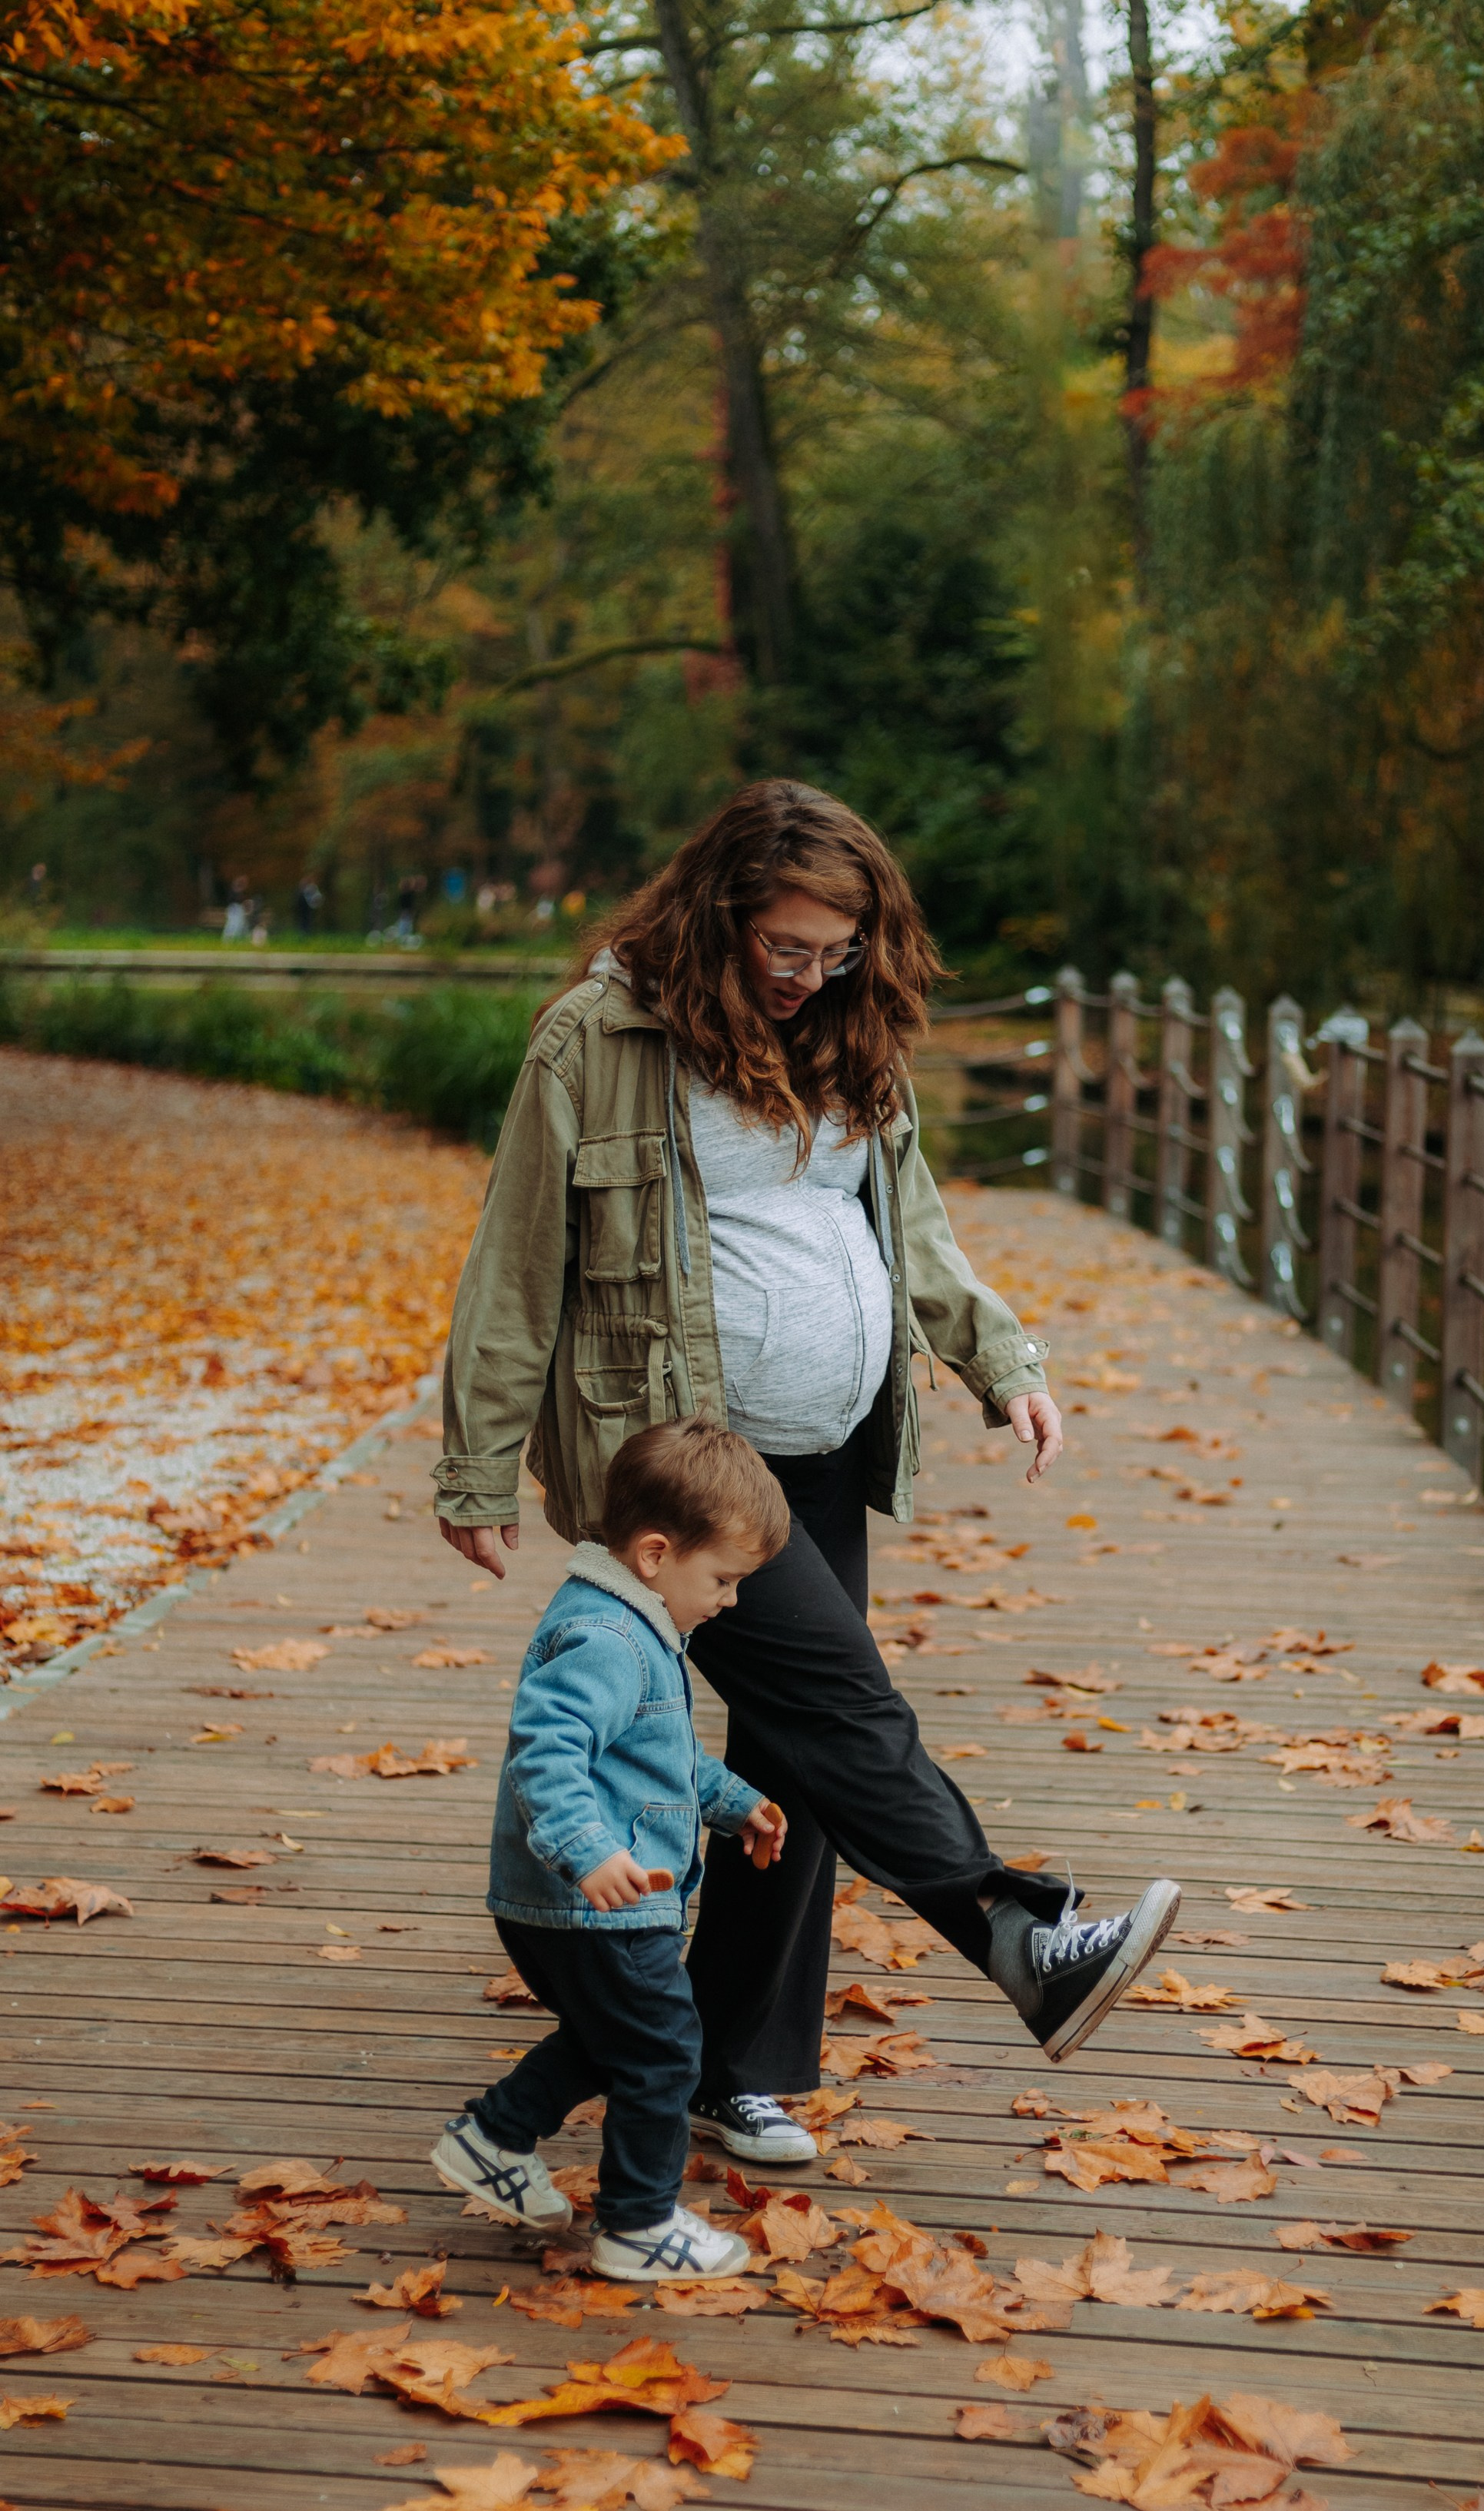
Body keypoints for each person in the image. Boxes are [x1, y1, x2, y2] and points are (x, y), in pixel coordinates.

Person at [433, 778, 1178, 2167]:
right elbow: (514, 1264)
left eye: (836, 949)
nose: (808, 973)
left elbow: (914, 1226)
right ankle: (1015, 1932)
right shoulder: (594, 1041)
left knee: (792, 1755)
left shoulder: (848, 1037)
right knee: (843, 1711)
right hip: (681, 1467)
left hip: (827, 1456)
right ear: (717, 911)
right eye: (785, 946)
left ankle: (732, 2068)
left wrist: (999, 1362)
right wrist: (474, 1467)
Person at [432, 1418, 791, 2280]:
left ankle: (492, 2138)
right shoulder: (608, 1638)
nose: (730, 1598)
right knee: (667, 2049)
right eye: (724, 1578)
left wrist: (733, 1801)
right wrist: (587, 1849)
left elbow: (655, 1753)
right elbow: (544, 1750)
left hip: (584, 1896)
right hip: (591, 1895)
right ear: (655, 1553)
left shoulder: (634, 1622)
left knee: (611, 2036)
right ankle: (637, 2223)